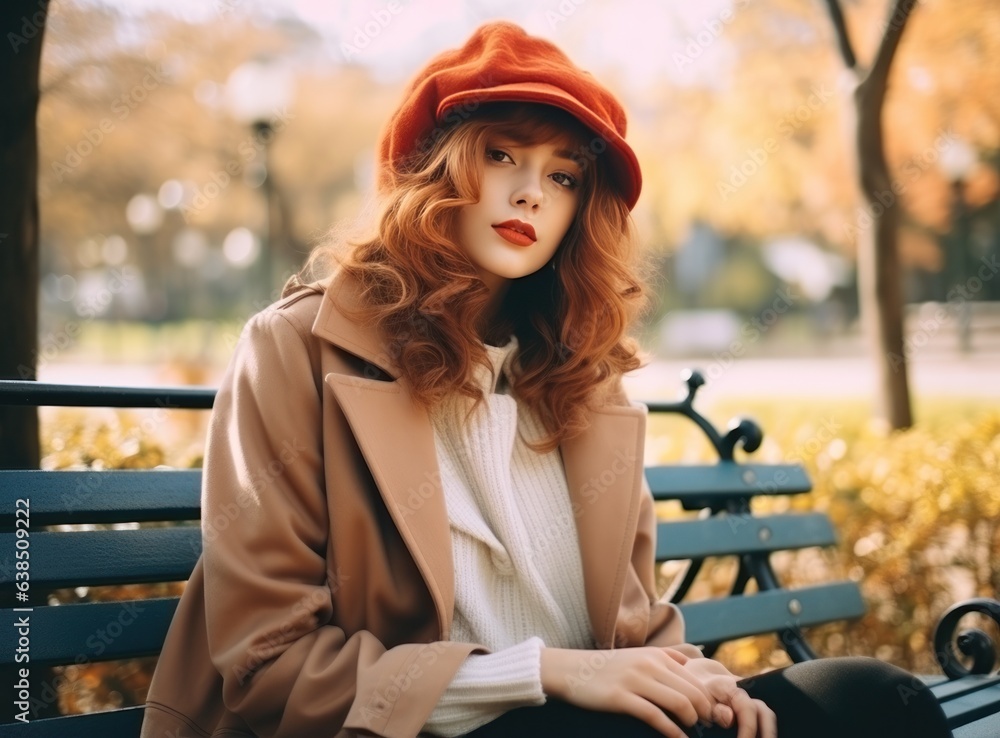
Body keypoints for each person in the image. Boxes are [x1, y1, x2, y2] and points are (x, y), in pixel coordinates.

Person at [140, 21, 952, 738]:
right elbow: (271, 666)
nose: (532, 190)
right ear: (440, 170)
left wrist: (696, 677)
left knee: (877, 700)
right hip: (423, 729)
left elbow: (629, 631)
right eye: (503, 156)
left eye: (564, 175)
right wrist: (547, 673)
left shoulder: (580, 377)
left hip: (591, 721)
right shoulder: (296, 352)